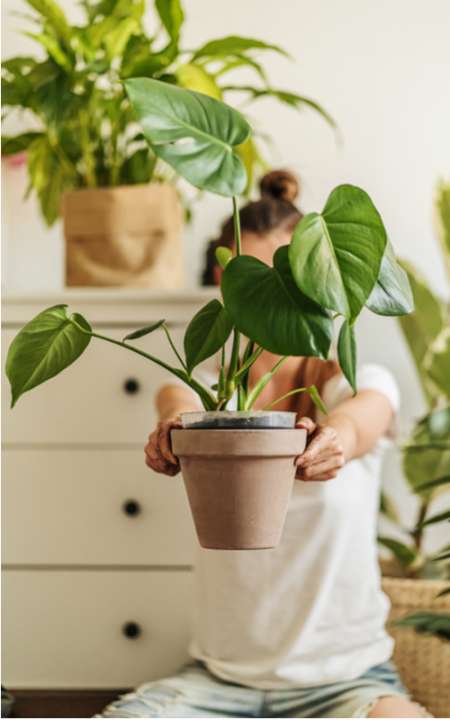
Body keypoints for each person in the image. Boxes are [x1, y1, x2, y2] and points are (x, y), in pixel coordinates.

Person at [100, 171, 429, 718]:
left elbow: (365, 416)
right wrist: (176, 429)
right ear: (223, 283)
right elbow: (176, 400)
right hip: (217, 681)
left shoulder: (355, 380)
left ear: (317, 277)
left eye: (287, 273)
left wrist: (335, 440)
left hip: (347, 680)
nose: (269, 289)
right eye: (247, 275)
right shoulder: (207, 386)